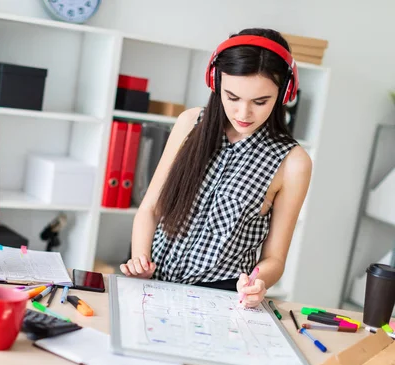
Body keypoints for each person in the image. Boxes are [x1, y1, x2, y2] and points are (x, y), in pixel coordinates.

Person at [120, 28, 312, 308]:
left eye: (260, 102)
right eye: (232, 97)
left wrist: (257, 281)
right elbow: (150, 208)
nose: (243, 113)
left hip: (220, 298)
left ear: (285, 94)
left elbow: (275, 259)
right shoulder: (189, 123)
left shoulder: (293, 162)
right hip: (153, 283)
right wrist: (140, 261)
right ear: (215, 82)